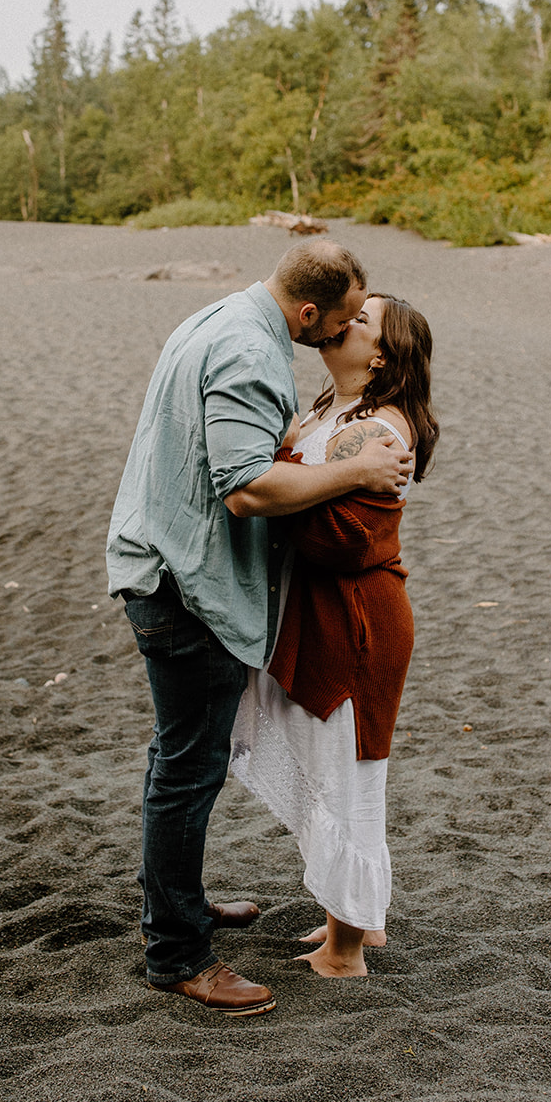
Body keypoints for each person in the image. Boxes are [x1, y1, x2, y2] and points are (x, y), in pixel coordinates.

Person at [106, 242, 412, 1017]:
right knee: (186, 767)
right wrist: (355, 472)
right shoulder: (250, 351)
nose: (344, 330)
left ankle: (178, 904)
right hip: (185, 584)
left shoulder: (219, 316)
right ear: (309, 314)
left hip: (160, 564)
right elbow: (244, 491)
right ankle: (177, 952)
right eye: (342, 317)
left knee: (179, 759)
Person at [230, 292, 438, 978]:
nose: (343, 319)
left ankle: (347, 951)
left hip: (353, 615)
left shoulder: (371, 431)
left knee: (348, 771)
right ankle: (343, 923)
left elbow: (342, 539)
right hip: (321, 607)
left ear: (380, 354)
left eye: (361, 319)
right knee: (331, 762)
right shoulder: (331, 409)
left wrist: (267, 495)